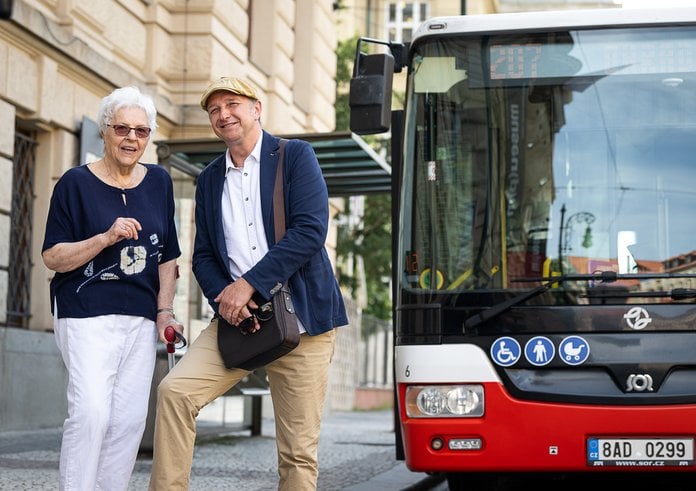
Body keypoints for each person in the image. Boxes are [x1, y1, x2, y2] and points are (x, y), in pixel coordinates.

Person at [148, 77, 348, 490]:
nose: (224, 115)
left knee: (296, 453)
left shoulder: (294, 156)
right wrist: (227, 298)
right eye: (214, 110)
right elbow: (203, 254)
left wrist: (249, 285)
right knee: (175, 393)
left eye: (232, 104)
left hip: (303, 323)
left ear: (257, 108)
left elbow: (310, 231)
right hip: (238, 322)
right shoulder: (209, 179)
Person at [41, 85, 182, 491]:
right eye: (122, 128)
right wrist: (104, 238)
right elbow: (53, 256)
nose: (131, 138)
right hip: (85, 310)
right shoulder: (75, 183)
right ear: (105, 131)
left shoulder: (159, 181)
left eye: (141, 131)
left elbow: (168, 256)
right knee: (91, 414)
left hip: (139, 317)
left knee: (128, 421)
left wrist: (165, 312)